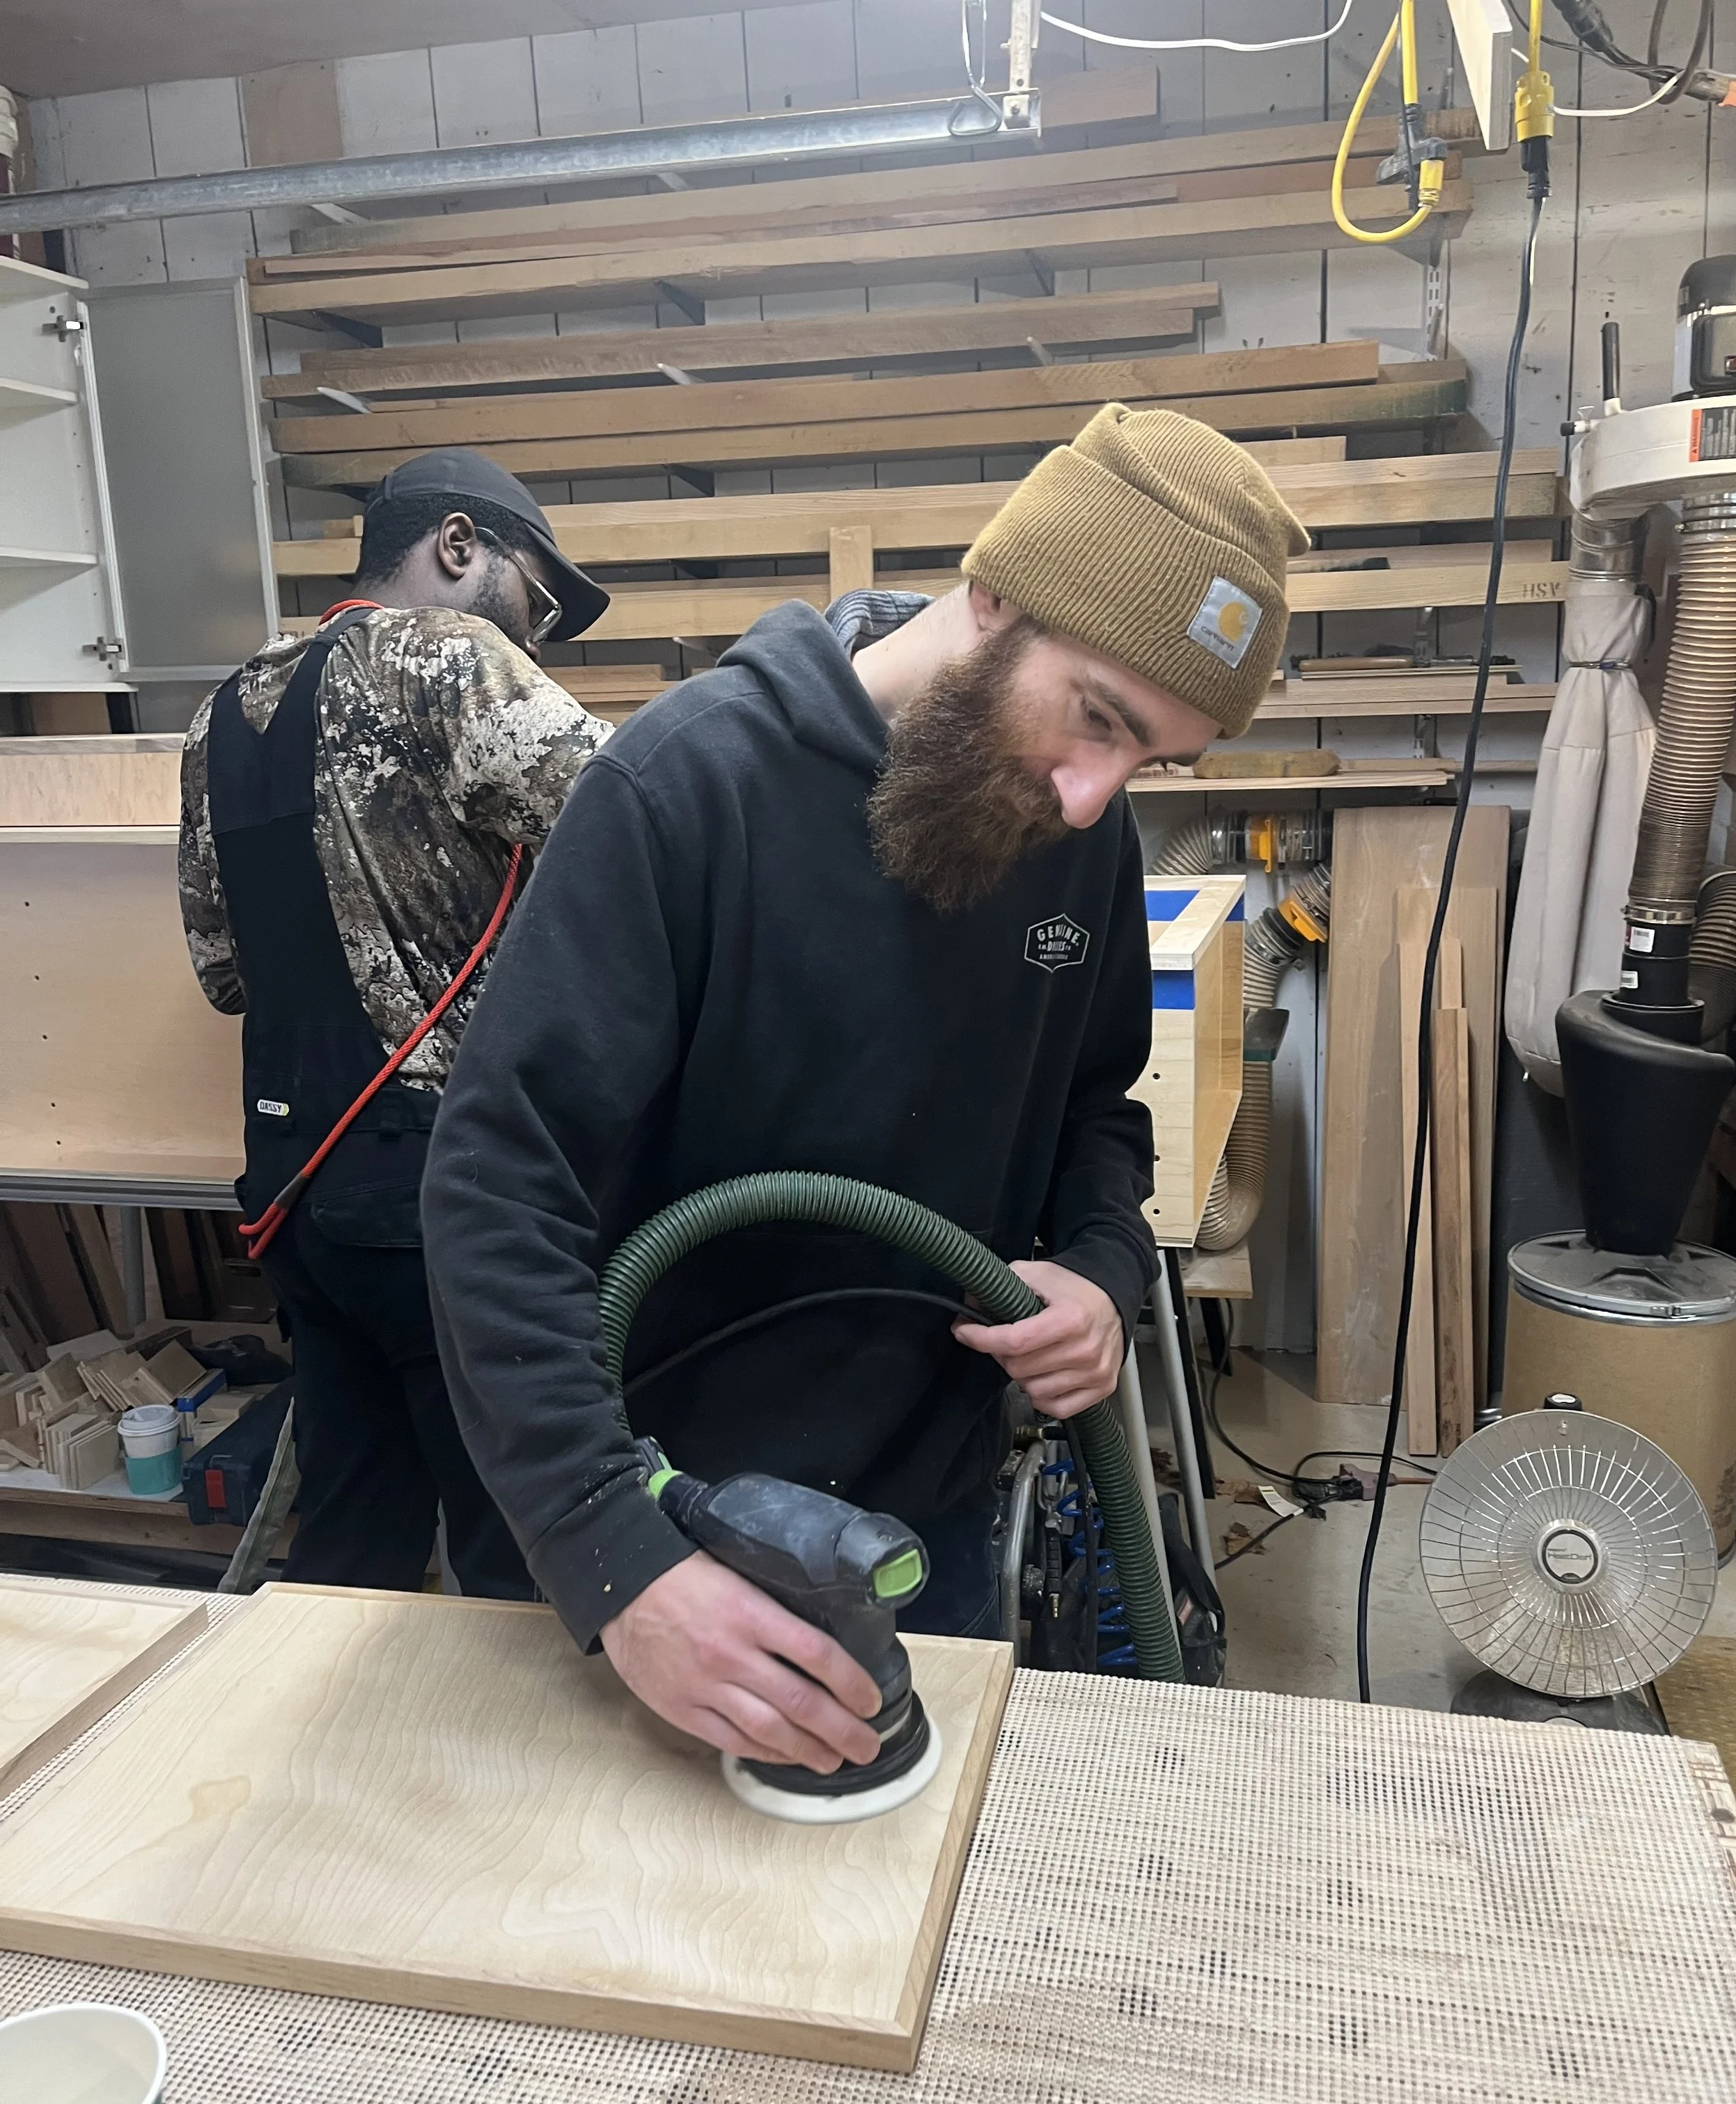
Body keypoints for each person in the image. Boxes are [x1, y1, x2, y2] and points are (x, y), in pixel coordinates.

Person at [423, 405, 1305, 1766]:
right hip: (658, 1533)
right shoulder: (683, 787)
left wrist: (1097, 1263)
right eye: (1095, 721)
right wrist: (611, 1547)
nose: (1091, 796)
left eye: (1149, 760)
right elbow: (495, 1189)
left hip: (915, 1528)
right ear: (994, 597)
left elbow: (1095, 1108)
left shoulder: (1078, 839)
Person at [178, 446, 615, 1596]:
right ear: (459, 546)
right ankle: (505, 1777)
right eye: (538, 598)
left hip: (291, 1187)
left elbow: (223, 969)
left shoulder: (220, 710)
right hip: (439, 1189)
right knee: (517, 1550)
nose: (539, 637)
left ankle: (327, 1770)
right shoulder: (450, 658)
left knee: (352, 1535)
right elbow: (643, 830)